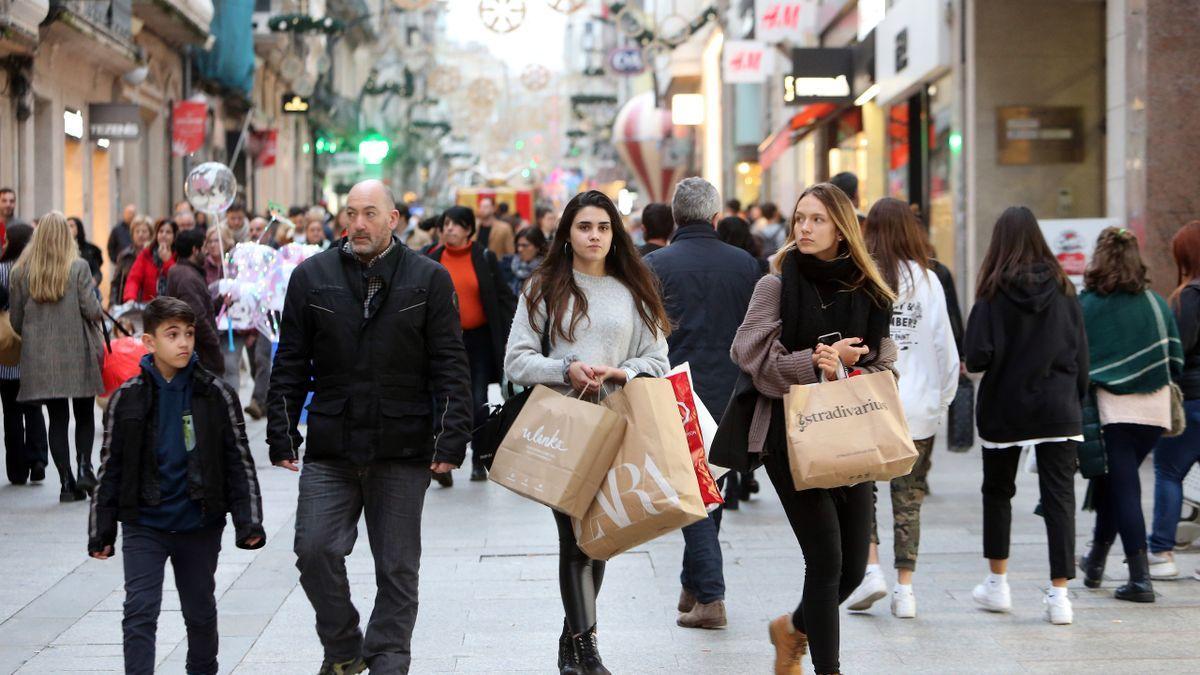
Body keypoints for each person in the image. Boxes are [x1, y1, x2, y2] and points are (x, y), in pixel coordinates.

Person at [267, 179, 472, 674]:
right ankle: (343, 648)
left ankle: (387, 659)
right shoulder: (311, 277)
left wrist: (452, 436)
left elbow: (450, 363)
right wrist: (281, 428)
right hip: (333, 443)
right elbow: (291, 361)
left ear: (393, 219)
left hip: (402, 445)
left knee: (398, 568)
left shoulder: (428, 279)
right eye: (351, 214)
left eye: (370, 214)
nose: (358, 223)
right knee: (314, 550)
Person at [721, 183, 896, 675]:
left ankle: (792, 629)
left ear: (842, 228)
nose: (804, 227)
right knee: (824, 562)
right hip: (788, 436)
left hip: (853, 433)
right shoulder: (775, 284)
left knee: (853, 568)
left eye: (817, 219)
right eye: (800, 218)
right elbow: (751, 356)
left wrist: (854, 366)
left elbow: (887, 362)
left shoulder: (869, 288)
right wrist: (813, 365)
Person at [504, 189, 671, 675]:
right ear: (567, 234)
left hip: (618, 427)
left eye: (603, 227)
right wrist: (566, 366)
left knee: (597, 538)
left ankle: (571, 639)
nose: (594, 236)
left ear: (615, 232)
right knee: (574, 539)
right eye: (584, 227)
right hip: (563, 430)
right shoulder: (543, 287)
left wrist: (620, 372)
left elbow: (657, 360)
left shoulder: (633, 289)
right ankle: (588, 651)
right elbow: (516, 359)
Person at [88, 296, 265, 675]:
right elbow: (110, 467)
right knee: (139, 611)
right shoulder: (126, 398)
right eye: (172, 335)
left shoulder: (215, 394)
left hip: (199, 522)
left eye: (188, 333)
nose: (184, 342)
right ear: (149, 342)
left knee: (199, 611)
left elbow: (239, 460)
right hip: (144, 524)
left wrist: (249, 522)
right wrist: (101, 530)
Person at [644, 178, 760, 630]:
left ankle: (710, 597)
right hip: (733, 393)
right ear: (715, 217)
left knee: (694, 495)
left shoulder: (656, 265)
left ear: (676, 218)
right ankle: (693, 584)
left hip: (678, 392)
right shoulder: (746, 265)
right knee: (712, 491)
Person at [964, 206, 1088, 625]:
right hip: (1058, 408)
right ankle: (1060, 597)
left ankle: (998, 584)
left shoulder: (991, 293)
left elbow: (977, 355)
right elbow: (1081, 353)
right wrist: (1077, 401)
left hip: (1005, 408)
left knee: (998, 492)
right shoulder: (1065, 289)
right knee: (1060, 500)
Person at [845, 197, 960, 619]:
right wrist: (942, 401)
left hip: (870, 404)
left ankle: (871, 570)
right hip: (919, 407)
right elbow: (946, 349)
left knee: (864, 492)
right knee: (909, 499)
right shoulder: (929, 281)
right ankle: (905, 591)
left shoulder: (860, 277)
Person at [1075, 227, 1179, 602]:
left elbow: (1077, 358)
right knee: (1115, 485)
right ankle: (1096, 561)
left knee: (1125, 489)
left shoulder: (1087, 304)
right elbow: (1173, 358)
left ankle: (1140, 579)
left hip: (1113, 410)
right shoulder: (1155, 302)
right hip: (1154, 409)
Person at [9, 212, 107, 502]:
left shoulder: (21, 272)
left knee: (57, 418)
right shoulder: (78, 267)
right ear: (67, 236)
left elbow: (16, 322)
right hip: (77, 351)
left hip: (41, 358)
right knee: (85, 414)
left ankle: (66, 483)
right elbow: (92, 310)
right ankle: (84, 465)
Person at [426, 206, 517, 483]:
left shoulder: (484, 258)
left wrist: (512, 337)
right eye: (445, 224)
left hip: (478, 341)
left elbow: (503, 298)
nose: (449, 229)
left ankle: (479, 458)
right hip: (441, 341)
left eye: (455, 224)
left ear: (468, 229)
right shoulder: (430, 258)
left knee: (477, 401)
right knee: (441, 401)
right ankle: (441, 459)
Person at [1149, 220, 1200, 581]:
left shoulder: (1189, 297)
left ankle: (1162, 553)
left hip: (1194, 400)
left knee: (1168, 472)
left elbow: (1177, 351)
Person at [0, 223, 48, 485]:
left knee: (11, 413)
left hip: (7, 354)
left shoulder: (1, 270)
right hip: (32, 352)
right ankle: (38, 458)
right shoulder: (37, 272)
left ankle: (17, 469)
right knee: (34, 409)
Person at [165, 229, 225, 376]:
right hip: (200, 356)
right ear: (194, 250)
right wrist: (214, 342)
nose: (206, 251)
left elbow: (202, 305)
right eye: (204, 247)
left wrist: (221, 302)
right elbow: (196, 316)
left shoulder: (185, 272)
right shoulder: (187, 277)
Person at [123, 219, 177, 303]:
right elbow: (133, 279)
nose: (163, 235)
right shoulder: (147, 253)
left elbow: (177, 280)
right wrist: (130, 298)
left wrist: (167, 261)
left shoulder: (179, 255)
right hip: (149, 307)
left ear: (174, 236)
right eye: (161, 231)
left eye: (168, 232)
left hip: (173, 307)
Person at [111, 215, 153, 307]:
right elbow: (116, 283)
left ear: (150, 234)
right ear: (132, 235)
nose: (140, 235)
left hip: (151, 305)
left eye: (144, 231)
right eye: (137, 231)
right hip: (129, 305)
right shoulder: (125, 255)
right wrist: (113, 306)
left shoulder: (155, 255)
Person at [507, 227, 547, 295]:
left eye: (524, 245)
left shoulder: (547, 271)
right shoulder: (508, 266)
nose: (520, 249)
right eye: (518, 245)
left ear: (538, 247)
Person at [68, 216, 104, 287]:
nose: (68, 229)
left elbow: (96, 271)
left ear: (79, 228)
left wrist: (93, 281)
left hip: (85, 287)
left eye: (71, 226)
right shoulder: (62, 249)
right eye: (66, 226)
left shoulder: (90, 250)